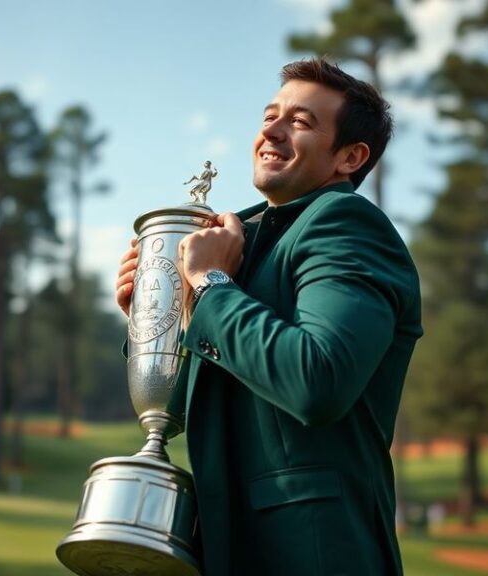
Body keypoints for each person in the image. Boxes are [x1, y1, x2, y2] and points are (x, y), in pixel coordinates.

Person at [116, 58, 422, 576]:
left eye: (300, 122)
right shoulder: (247, 241)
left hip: (315, 555)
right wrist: (158, 316)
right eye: (269, 116)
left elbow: (316, 379)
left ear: (350, 156)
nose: (271, 132)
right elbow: (201, 410)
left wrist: (210, 285)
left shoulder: (347, 225)